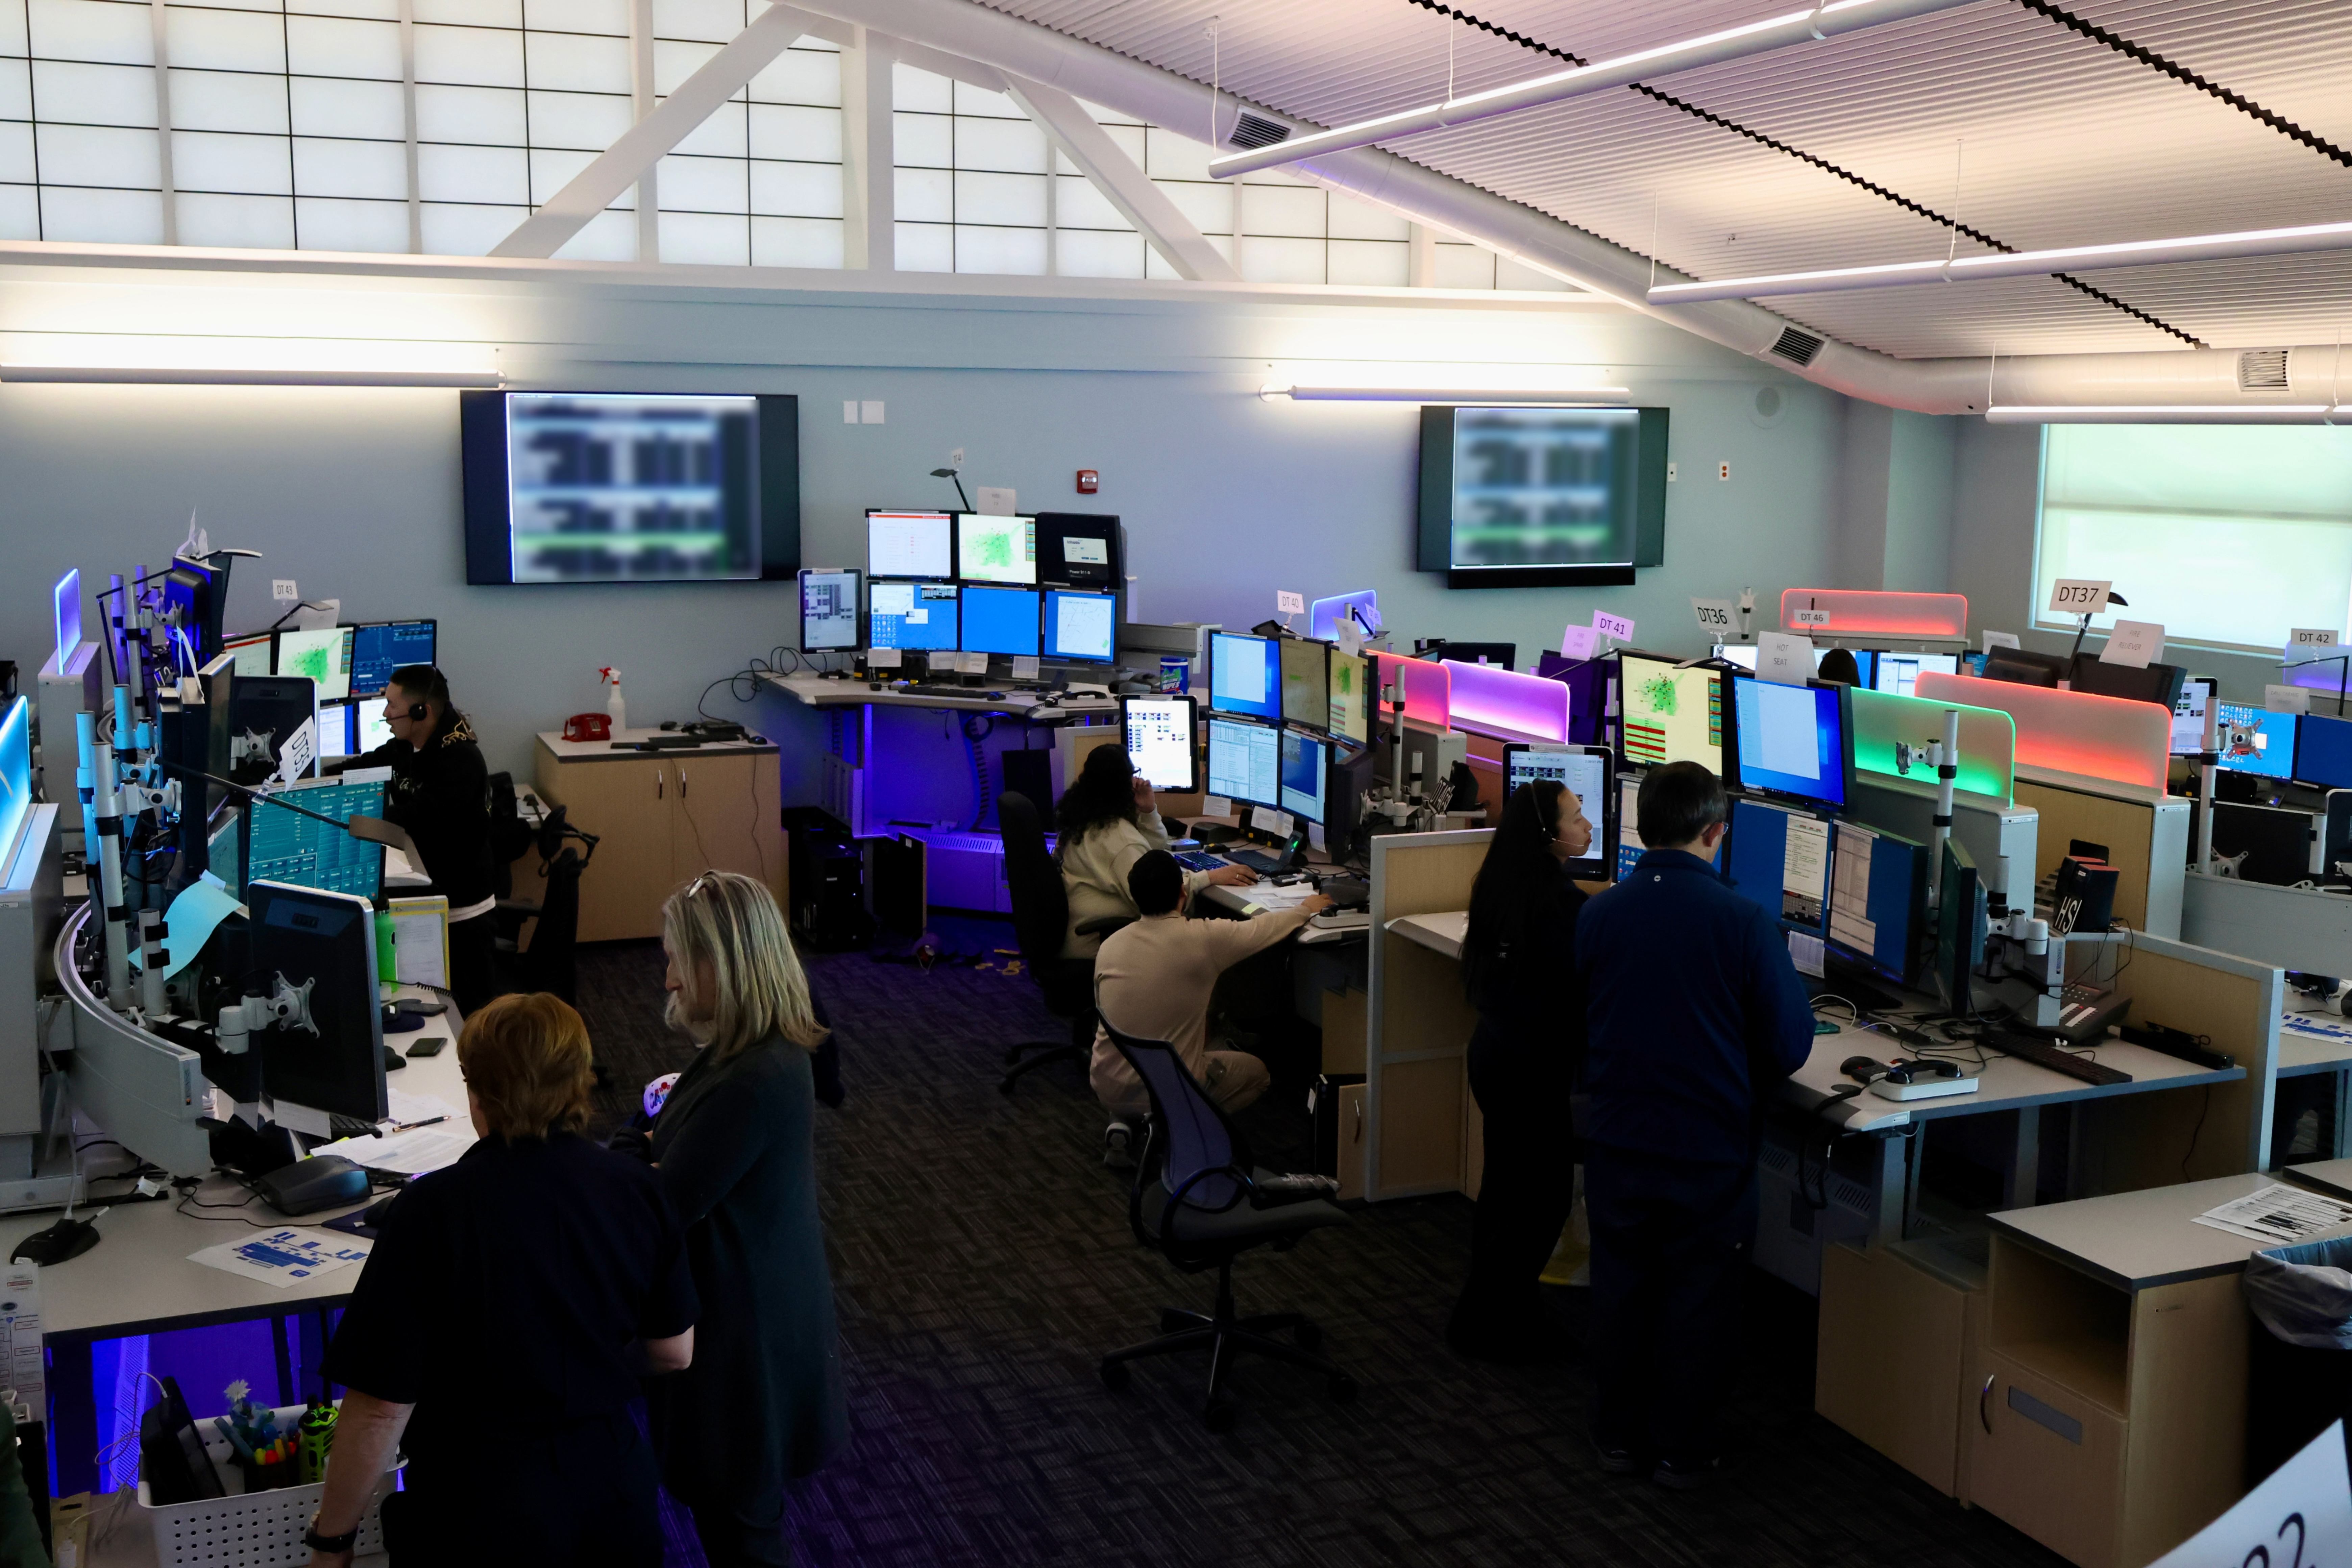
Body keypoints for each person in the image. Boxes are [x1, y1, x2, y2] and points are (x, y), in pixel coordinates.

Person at [307, 993, 697, 1568]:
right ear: (579, 1083)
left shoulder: (432, 1210)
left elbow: (381, 1410)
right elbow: (674, 1352)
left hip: (480, 1506)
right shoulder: (637, 1188)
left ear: (477, 1094)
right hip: (613, 1492)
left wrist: (332, 1544)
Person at [1574, 760, 1814, 1488]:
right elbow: (1790, 1044)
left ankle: (1617, 1437)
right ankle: (1682, 1449)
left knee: (1620, 1283)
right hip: (1705, 1144)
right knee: (1699, 1295)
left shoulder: (1599, 912)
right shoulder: (1742, 920)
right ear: (1717, 832)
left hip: (1617, 1133)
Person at [632, 871, 847, 1567]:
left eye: (672, 961)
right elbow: (646, 1137)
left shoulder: (757, 1077)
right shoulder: (738, 1051)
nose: (667, 981)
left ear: (716, 965)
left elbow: (660, 1204)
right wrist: (642, 1150)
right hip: (742, 1320)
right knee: (736, 1521)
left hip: (742, 1349)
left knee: (743, 1534)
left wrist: (639, 1158)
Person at [1447, 779, 1590, 1364]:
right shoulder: (1561, 907)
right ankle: (1488, 1317)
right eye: (1577, 819)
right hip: (1533, 1070)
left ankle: (1496, 1309)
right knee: (1545, 1199)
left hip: (1495, 1057)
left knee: (1505, 1186)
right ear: (1546, 835)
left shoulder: (1502, 884)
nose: (1587, 827)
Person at [1088, 850, 1329, 1134]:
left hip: (1107, 1084)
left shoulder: (1110, 946)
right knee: (1257, 1074)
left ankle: (1126, 1120)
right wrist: (1306, 908)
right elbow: (1264, 928)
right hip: (1166, 1087)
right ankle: (1176, 1128)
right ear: (1182, 893)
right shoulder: (1205, 940)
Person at [345, 665, 496, 1014]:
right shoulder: (407, 746)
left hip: (462, 911)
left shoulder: (459, 761)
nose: (385, 715)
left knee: (471, 1016)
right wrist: (316, 781)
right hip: (431, 893)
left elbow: (415, 817)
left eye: (391, 707)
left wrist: (348, 817)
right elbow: (367, 766)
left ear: (421, 712)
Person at [1054, 744, 1254, 959]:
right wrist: (1211, 877)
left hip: (1080, 935)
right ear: (1124, 786)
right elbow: (1159, 894)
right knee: (1213, 940)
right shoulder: (1120, 841)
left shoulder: (1087, 822)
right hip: (1100, 945)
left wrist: (1149, 812)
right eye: (1133, 776)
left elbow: (1151, 857)